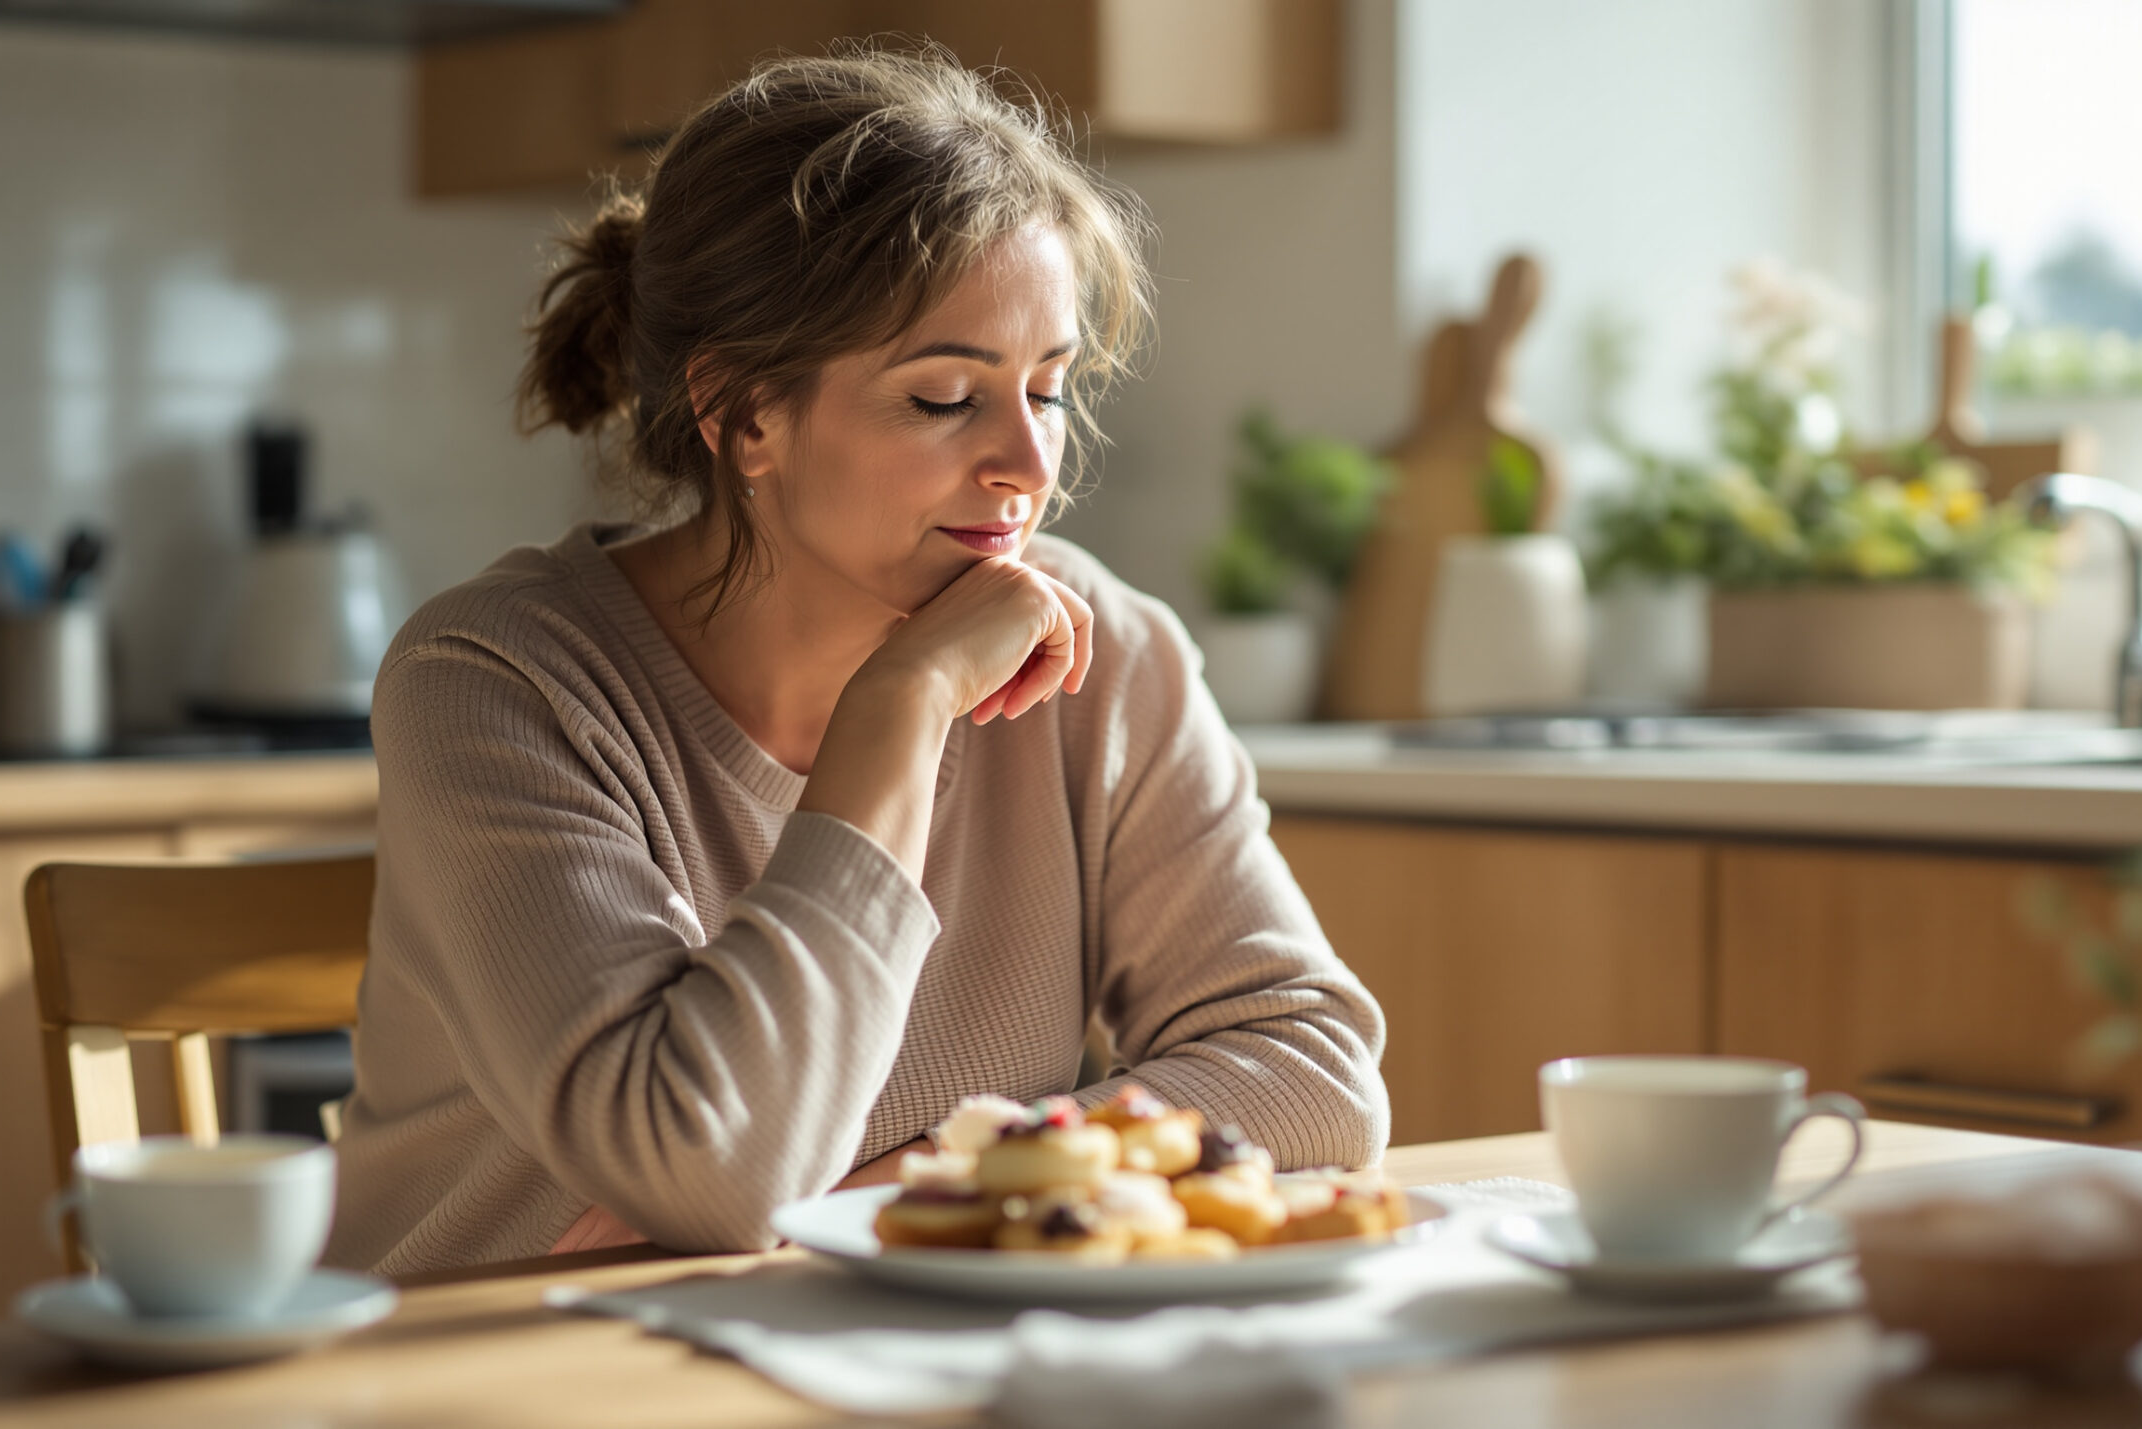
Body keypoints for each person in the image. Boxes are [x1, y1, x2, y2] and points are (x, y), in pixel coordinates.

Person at [330, 46, 1387, 1276]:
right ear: (744, 415)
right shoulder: (499, 678)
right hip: (498, 1375)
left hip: (884, 1359)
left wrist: (930, 1191)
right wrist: (903, 702)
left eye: (1045, 389)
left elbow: (1313, 1072)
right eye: (945, 398)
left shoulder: (1108, 649)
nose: (1028, 466)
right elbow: (711, 1166)